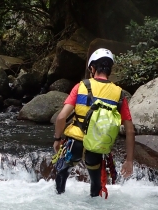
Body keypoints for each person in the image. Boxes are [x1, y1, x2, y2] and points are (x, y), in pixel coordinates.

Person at [52, 48, 135, 197]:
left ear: (92, 68)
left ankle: (58, 197)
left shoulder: (81, 86)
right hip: (97, 147)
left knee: (62, 172)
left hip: (75, 142)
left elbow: (61, 117)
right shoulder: (119, 94)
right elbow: (130, 130)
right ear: (109, 69)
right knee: (96, 183)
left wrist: (57, 140)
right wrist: (129, 160)